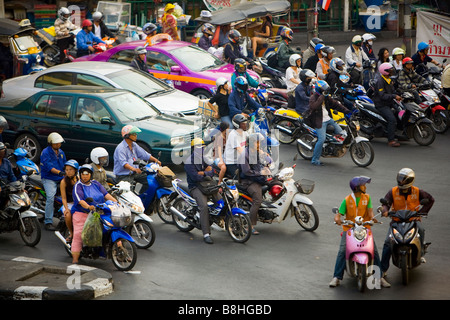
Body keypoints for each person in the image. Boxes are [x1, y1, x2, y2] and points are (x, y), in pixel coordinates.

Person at [329, 176, 389, 288]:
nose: (365, 187)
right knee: (342, 251)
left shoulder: (367, 197)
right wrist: (337, 218)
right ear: (357, 188)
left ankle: (380, 277)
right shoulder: (347, 200)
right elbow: (339, 214)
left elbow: (370, 213)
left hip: (364, 228)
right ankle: (337, 277)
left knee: (374, 251)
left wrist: (373, 219)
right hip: (350, 229)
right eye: (363, 185)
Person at [379, 168, 434, 283]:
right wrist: (385, 211)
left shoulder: (417, 191)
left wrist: (423, 212)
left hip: (413, 220)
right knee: (387, 244)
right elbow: (386, 203)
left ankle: (421, 252)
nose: (401, 182)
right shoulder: (393, 191)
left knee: (421, 230)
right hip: (396, 221)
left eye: (404, 180)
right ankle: (382, 270)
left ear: (410, 181)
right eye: (400, 180)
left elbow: (430, 199)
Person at [71, 164, 117, 264]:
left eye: (87, 173)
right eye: (82, 173)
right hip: (82, 213)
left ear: (91, 174)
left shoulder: (96, 183)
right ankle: (75, 258)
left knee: (113, 226)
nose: (85, 176)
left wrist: (116, 202)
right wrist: (88, 206)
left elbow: (106, 194)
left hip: (99, 211)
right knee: (79, 234)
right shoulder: (78, 186)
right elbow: (80, 201)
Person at [184, 138, 223, 244]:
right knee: (204, 207)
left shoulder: (202, 158)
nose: (202, 150)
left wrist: (204, 173)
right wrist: (205, 173)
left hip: (206, 183)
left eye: (202, 148)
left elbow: (212, 171)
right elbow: (196, 178)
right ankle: (206, 234)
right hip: (195, 187)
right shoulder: (189, 162)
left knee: (220, 199)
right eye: (199, 148)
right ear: (194, 149)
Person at [306, 80, 350, 166]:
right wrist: (322, 96)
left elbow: (336, 104)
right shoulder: (313, 97)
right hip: (319, 121)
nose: (326, 92)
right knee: (321, 139)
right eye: (324, 90)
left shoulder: (326, 97)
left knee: (342, 133)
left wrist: (347, 111)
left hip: (328, 119)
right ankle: (315, 160)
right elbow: (314, 106)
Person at [239, 132, 272, 235]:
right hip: (248, 181)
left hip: (258, 178)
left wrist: (266, 159)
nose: (259, 145)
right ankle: (251, 225)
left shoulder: (255, 152)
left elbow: (264, 163)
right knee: (257, 200)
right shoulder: (244, 155)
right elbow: (247, 172)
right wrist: (260, 173)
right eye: (257, 143)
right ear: (252, 143)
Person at [113, 125, 160, 193]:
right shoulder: (121, 148)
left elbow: (144, 154)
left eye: (136, 134)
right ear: (127, 136)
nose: (136, 136)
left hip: (134, 173)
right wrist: (134, 169)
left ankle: (142, 198)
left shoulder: (134, 145)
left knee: (150, 180)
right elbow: (124, 163)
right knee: (129, 192)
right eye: (134, 134)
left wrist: (155, 160)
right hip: (124, 176)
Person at [40, 132, 66, 230]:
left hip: (60, 178)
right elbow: (49, 167)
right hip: (48, 178)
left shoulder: (61, 152)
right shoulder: (45, 152)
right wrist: (60, 173)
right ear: (50, 143)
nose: (58, 145)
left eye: (59, 143)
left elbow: (65, 164)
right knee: (50, 197)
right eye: (56, 143)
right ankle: (48, 221)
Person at [372, 63, 402, 147]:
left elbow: (393, 91)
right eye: (390, 70)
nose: (392, 71)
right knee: (392, 120)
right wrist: (394, 96)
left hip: (389, 102)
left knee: (400, 113)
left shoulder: (389, 80)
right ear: (385, 72)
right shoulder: (380, 82)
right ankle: (391, 140)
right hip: (381, 104)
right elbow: (382, 95)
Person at [59, 159, 79, 242]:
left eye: (70, 169)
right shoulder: (63, 182)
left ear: (75, 170)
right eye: (66, 170)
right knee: (68, 215)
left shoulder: (79, 179)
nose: (68, 172)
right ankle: (71, 233)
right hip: (69, 204)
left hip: (78, 203)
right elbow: (63, 198)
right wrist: (66, 208)